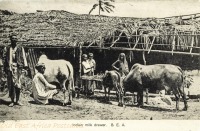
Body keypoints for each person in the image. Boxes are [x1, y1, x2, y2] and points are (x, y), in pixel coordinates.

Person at [2, 33, 28, 107]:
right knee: (11, 85)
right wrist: (5, 68)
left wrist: (25, 67)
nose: (14, 40)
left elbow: (24, 58)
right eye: (12, 39)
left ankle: (18, 100)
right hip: (10, 69)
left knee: (18, 85)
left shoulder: (20, 48)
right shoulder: (7, 48)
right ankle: (12, 101)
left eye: (15, 39)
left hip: (18, 69)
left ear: (17, 40)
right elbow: (4, 59)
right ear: (10, 40)